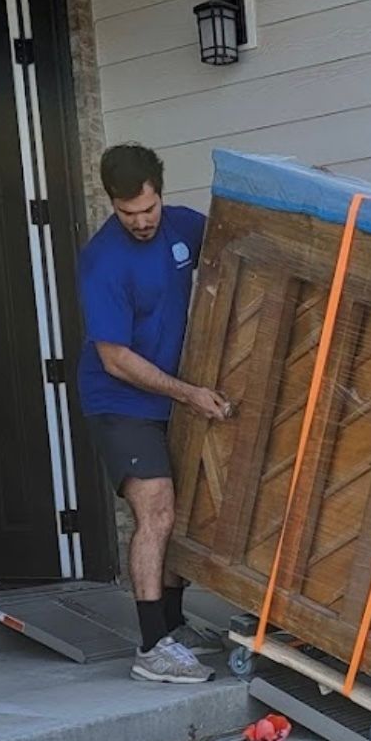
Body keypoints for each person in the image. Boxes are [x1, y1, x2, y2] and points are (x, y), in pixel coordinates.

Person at [78, 143, 230, 685]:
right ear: (112, 204)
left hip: (172, 396)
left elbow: (238, 239)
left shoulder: (181, 227)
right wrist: (188, 393)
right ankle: (151, 646)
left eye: (148, 209)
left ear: (160, 194)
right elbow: (114, 358)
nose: (141, 222)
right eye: (128, 213)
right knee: (157, 510)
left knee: (182, 513)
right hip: (120, 401)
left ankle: (173, 623)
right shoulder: (104, 261)